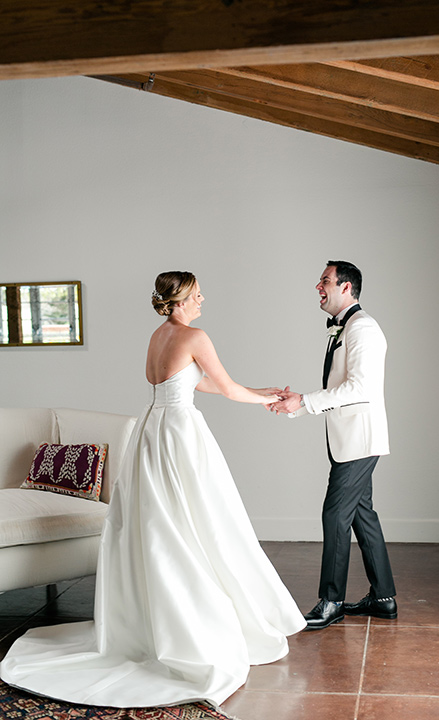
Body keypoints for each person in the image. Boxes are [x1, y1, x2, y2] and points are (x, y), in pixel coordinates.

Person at [1, 271, 306, 707]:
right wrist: (268, 400)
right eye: (197, 294)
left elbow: (192, 382)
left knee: (161, 519)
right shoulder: (194, 335)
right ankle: (195, 621)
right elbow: (226, 388)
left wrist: (261, 390)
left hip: (152, 429)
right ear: (179, 300)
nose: (203, 300)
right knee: (201, 519)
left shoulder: (158, 335)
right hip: (180, 432)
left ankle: (151, 619)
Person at [271, 261, 397, 630]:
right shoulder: (346, 328)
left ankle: (331, 602)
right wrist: (299, 402)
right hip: (351, 440)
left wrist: (304, 402)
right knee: (361, 515)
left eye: (324, 281)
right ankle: (384, 598)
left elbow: (361, 388)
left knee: (335, 515)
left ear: (346, 287)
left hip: (360, 440)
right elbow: (340, 387)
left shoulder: (363, 329)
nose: (318, 287)